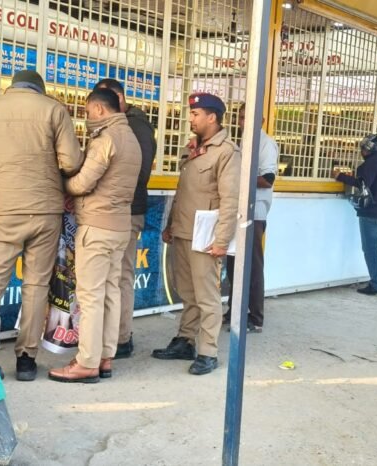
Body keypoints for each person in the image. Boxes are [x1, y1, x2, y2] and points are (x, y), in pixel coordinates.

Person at [0, 70, 83, 382]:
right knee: (35, 286)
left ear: (12, 87)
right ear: (39, 90)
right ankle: (26, 359)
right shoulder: (53, 110)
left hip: (5, 209)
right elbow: (71, 162)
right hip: (45, 211)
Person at [48, 89, 141, 383]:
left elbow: (83, 184)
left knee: (90, 297)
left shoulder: (106, 139)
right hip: (120, 226)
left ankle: (86, 362)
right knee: (111, 293)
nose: (87, 116)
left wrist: (60, 183)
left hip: (97, 227)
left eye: (88, 111)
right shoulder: (132, 138)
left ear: (99, 109)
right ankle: (104, 357)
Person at [152, 93, 240, 375]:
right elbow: (183, 193)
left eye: (196, 114)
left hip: (206, 236)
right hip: (183, 230)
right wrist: (171, 225)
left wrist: (221, 240)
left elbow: (230, 200)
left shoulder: (226, 151)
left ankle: (208, 352)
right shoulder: (193, 148)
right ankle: (185, 340)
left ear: (212, 117)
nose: (191, 118)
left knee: (207, 296)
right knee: (187, 292)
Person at [93, 78, 156, 359]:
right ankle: (109, 337)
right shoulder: (117, 125)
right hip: (113, 212)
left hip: (127, 211)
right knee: (108, 279)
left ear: (118, 98)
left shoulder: (136, 127)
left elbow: (138, 175)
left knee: (120, 277)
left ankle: (121, 337)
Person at [223, 102, 279, 333]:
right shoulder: (242, 143)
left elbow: (267, 179)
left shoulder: (265, 144)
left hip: (254, 212)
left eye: (248, 117)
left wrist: (236, 180)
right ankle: (235, 310)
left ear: (261, 121)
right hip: (238, 211)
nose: (243, 122)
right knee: (233, 263)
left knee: (252, 266)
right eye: (241, 117)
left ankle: (255, 317)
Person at [332, 134, 377, 295]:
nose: (361, 152)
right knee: (373, 248)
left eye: (362, 149)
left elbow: (362, 184)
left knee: (370, 249)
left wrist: (340, 176)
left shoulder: (371, 163)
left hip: (370, 212)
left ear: (366, 149)